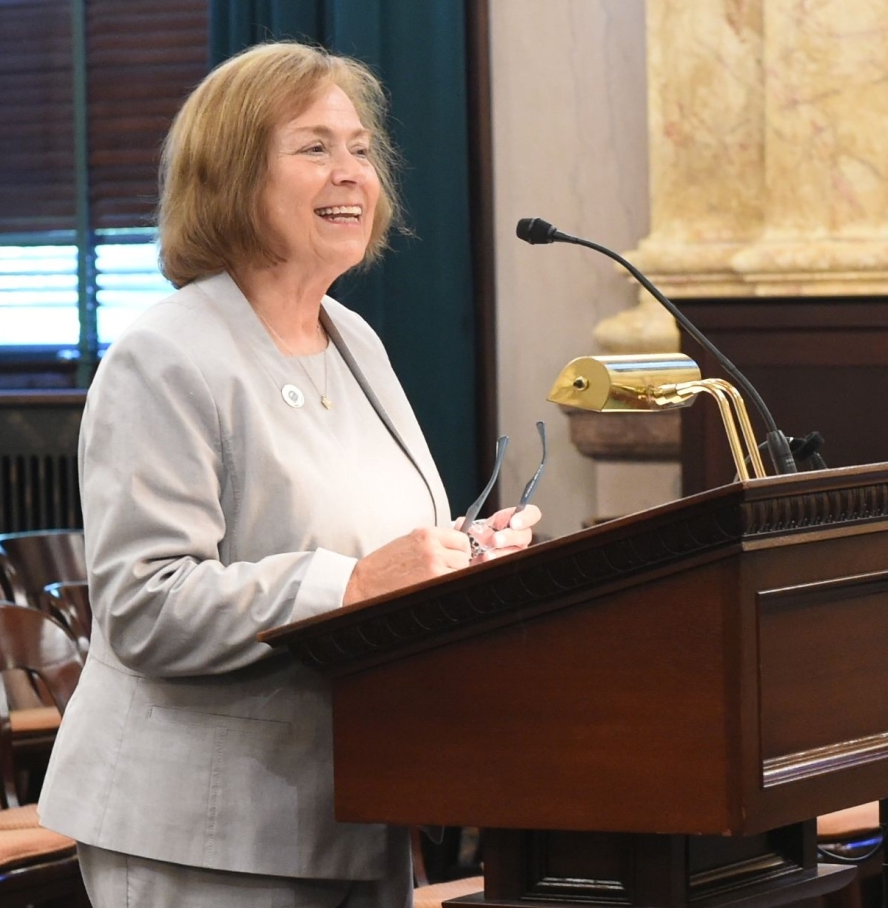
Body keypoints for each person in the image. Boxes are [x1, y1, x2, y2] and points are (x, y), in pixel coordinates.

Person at [37, 40, 541, 908]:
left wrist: (461, 556)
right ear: (232, 176)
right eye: (314, 148)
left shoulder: (356, 339)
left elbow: (370, 549)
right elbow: (145, 605)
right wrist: (351, 584)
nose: (351, 173)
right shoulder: (165, 355)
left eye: (360, 149)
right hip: (202, 830)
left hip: (355, 811)